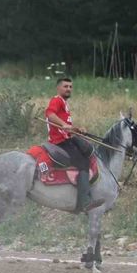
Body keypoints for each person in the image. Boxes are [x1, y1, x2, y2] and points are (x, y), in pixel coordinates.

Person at [45, 77, 103, 212]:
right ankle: (85, 202)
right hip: (59, 141)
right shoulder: (57, 100)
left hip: (66, 138)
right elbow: (49, 114)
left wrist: (77, 129)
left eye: (70, 87)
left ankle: (89, 190)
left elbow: (66, 128)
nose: (68, 89)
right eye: (65, 86)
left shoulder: (64, 104)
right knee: (83, 163)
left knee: (88, 150)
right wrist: (64, 124)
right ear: (58, 88)